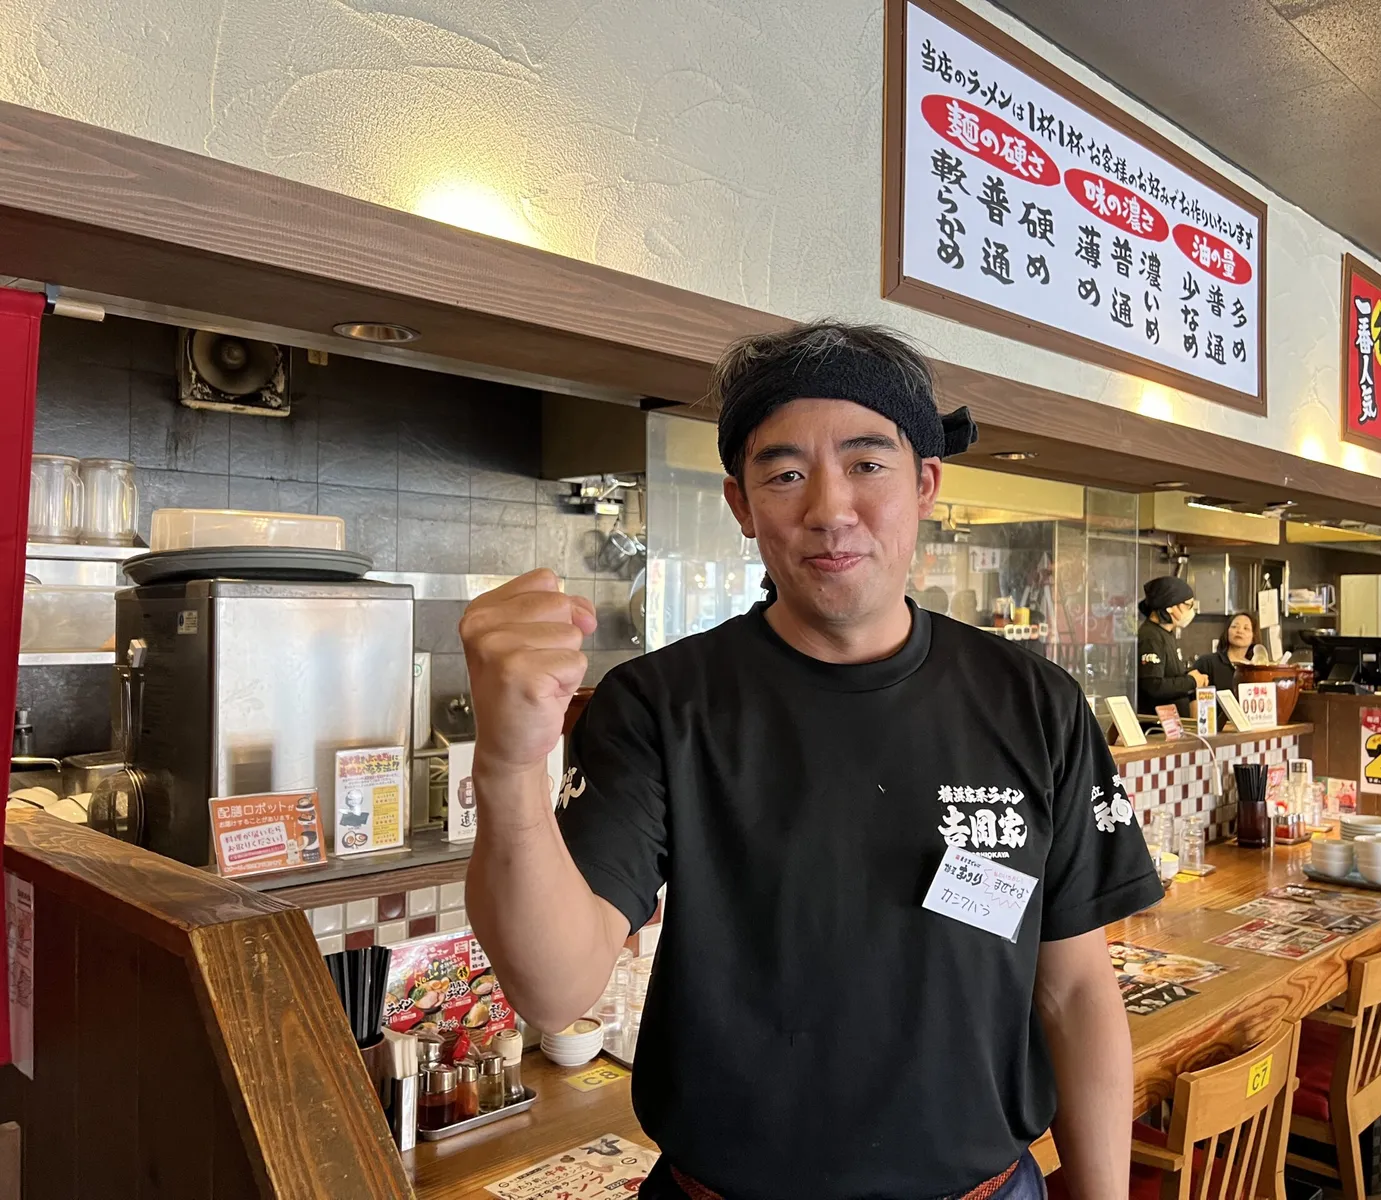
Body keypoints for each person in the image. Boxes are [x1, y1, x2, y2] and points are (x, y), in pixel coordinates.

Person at [460, 321, 1163, 1200]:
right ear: (742, 505)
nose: (830, 508)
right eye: (785, 473)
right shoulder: (661, 704)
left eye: (868, 463)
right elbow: (555, 987)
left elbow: (1076, 993)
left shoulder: (1035, 703)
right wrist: (508, 766)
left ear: (926, 484)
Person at [1136, 575, 1207, 714]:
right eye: (1188, 605)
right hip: (1157, 727)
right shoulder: (1150, 637)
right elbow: (1153, 686)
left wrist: (1189, 676)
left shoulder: (1166, 633)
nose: (1191, 611)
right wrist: (1191, 681)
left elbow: (1169, 675)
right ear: (1170, 607)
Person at [1192, 611, 1266, 695]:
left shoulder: (1255, 669)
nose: (1239, 631)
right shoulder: (1207, 663)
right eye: (1234, 626)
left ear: (1253, 637)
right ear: (1227, 632)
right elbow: (1194, 698)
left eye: (1246, 628)